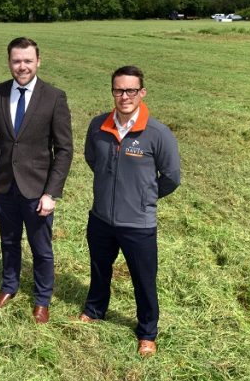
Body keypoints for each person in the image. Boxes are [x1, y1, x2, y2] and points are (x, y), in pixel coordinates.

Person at [79, 65, 180, 356]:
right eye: (119, 90)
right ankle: (95, 310)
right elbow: (92, 159)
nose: (124, 96)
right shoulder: (98, 126)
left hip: (138, 224)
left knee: (143, 280)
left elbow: (172, 177)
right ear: (112, 91)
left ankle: (147, 332)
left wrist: (145, 198)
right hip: (100, 218)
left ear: (142, 92)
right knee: (99, 270)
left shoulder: (158, 133)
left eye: (131, 90)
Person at [0, 37, 73, 324]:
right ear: (9, 62)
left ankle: (42, 300)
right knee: (9, 242)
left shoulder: (54, 97)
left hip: (37, 190)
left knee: (41, 248)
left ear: (38, 62)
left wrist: (51, 193)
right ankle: (9, 286)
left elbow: (64, 149)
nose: (22, 66)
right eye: (17, 61)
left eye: (28, 61)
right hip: (3, 185)